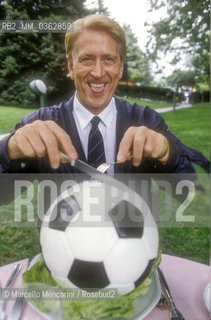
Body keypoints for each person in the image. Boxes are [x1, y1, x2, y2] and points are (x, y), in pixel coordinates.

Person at [0, 14, 209, 175]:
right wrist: (9, 150)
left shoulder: (144, 120)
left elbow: (203, 188)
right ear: (71, 65)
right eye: (87, 59)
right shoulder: (39, 124)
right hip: (61, 232)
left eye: (108, 59)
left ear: (120, 67)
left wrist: (167, 152)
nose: (98, 72)